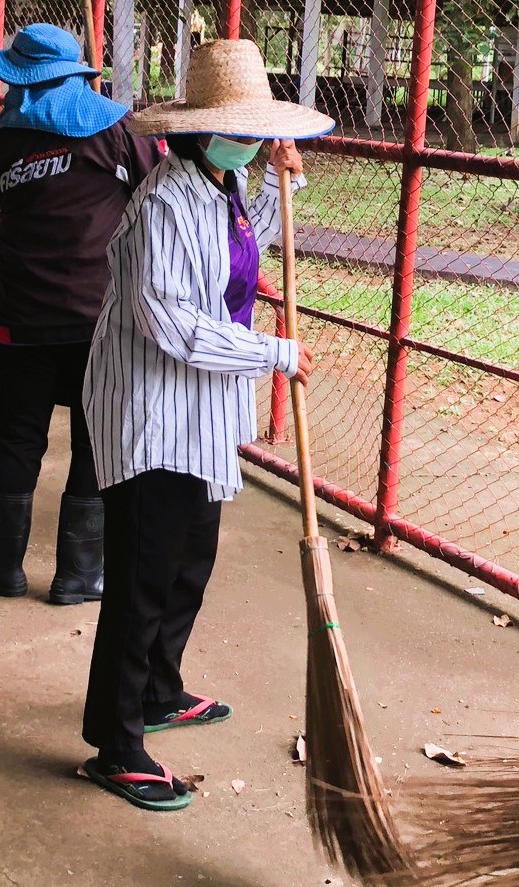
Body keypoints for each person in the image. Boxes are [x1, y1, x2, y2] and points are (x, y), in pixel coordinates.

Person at [79, 38, 332, 810]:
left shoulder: (221, 185)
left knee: (190, 559)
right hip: (152, 414)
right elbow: (175, 325)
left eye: (256, 129)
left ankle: (160, 687)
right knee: (140, 578)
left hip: (202, 416)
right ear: (195, 129)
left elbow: (237, 252)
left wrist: (274, 188)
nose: (251, 141)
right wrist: (275, 352)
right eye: (240, 129)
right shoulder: (160, 204)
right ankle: (115, 742)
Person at [0, 24, 162, 603]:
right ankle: (78, 575)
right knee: (94, 438)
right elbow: (152, 192)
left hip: (22, 313)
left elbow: (0, 196)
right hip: (101, 314)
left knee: (18, 436)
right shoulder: (119, 127)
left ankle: (2, 567)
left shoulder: (1, 136)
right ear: (78, 74)